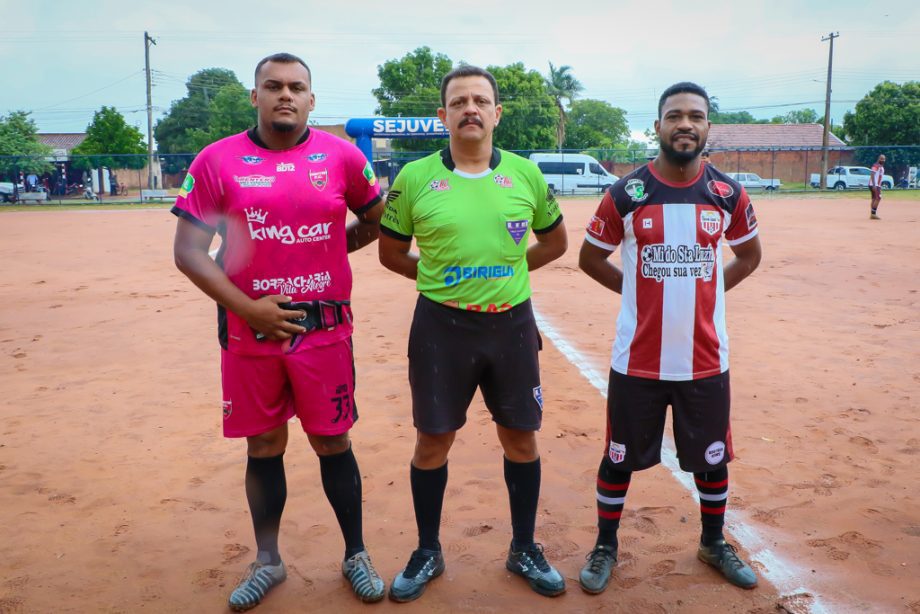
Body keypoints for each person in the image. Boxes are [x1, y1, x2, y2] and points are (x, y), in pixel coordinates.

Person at [172, 52, 386, 610]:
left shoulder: (342, 157)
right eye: (273, 86)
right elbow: (189, 253)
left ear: (312, 99)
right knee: (263, 443)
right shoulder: (218, 161)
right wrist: (252, 308)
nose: (284, 95)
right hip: (250, 335)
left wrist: (328, 249)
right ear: (256, 96)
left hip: (325, 334)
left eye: (296, 87)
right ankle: (268, 561)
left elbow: (375, 219)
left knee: (332, 440)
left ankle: (356, 554)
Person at [378, 65, 569, 602]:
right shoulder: (414, 178)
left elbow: (555, 243)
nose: (470, 109)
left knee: (521, 437)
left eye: (480, 100)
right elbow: (391, 253)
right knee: (432, 440)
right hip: (442, 327)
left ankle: (524, 547)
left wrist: (507, 271)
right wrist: (444, 278)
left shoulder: (526, 175)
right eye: (459, 101)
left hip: (511, 325)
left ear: (496, 112)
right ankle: (427, 550)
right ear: (443, 115)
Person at [576, 82, 762, 594]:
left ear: (707, 128)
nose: (685, 124)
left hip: (705, 358)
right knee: (618, 457)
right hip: (636, 360)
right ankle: (605, 547)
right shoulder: (626, 193)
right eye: (674, 115)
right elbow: (590, 258)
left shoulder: (727, 194)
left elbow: (749, 256)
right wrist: (635, 289)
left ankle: (712, 542)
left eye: (696, 116)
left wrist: (708, 291)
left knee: (712, 460)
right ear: (657, 126)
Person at [869, 153, 886, 220]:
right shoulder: (876, 165)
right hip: (875, 185)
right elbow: (872, 174)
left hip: (876, 185)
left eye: (884, 159)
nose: (883, 160)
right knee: (878, 198)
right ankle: (873, 214)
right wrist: (874, 184)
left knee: (874, 198)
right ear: (879, 159)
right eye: (881, 159)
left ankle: (872, 214)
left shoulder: (880, 166)